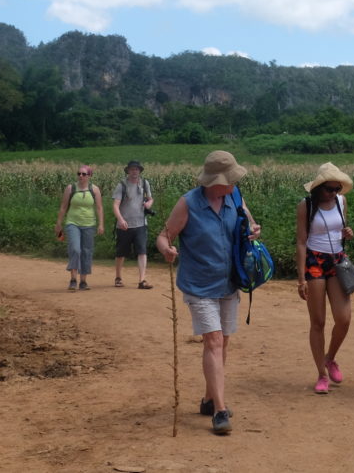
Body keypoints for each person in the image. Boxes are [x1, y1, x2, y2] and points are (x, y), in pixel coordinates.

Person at [156, 150, 261, 436]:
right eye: (230, 180)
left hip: (229, 282)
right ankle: (220, 411)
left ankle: (208, 399)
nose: (233, 184)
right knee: (213, 341)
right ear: (215, 181)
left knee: (222, 343)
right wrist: (167, 249)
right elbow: (164, 235)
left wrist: (253, 230)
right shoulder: (189, 203)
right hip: (199, 285)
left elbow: (250, 224)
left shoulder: (235, 197)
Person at [295, 162, 354, 394]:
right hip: (314, 261)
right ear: (319, 188)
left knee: (344, 318)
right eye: (329, 189)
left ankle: (330, 358)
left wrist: (346, 233)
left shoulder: (341, 202)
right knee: (318, 321)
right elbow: (301, 242)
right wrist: (301, 278)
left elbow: (339, 229)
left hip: (337, 260)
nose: (333, 193)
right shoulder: (306, 206)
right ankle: (321, 373)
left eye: (337, 189)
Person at [55, 165, 104, 291]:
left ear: (89, 176)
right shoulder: (70, 188)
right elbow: (63, 207)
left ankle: (83, 281)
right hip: (73, 223)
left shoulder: (95, 190)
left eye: (83, 174)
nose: (80, 176)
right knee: (75, 249)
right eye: (79, 174)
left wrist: (101, 224)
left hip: (89, 224)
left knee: (87, 251)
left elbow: (99, 208)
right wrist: (59, 223)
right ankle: (73, 279)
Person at [112, 160, 153, 289]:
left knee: (142, 251)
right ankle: (118, 277)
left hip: (141, 223)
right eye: (132, 169)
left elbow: (150, 198)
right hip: (124, 225)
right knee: (121, 253)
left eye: (137, 169)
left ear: (140, 171)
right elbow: (115, 205)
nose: (134, 171)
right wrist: (120, 219)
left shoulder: (145, 183)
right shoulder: (122, 185)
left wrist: (148, 204)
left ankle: (142, 280)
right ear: (128, 171)